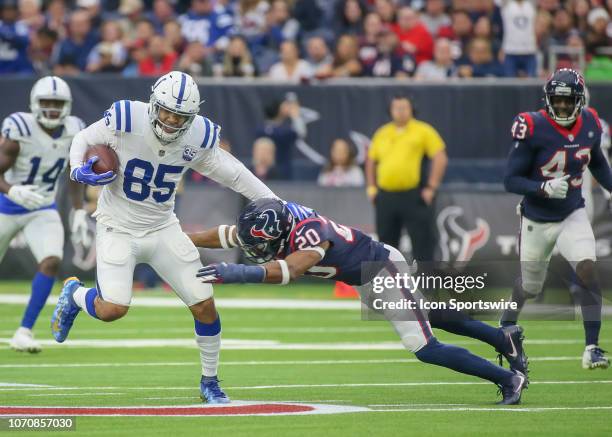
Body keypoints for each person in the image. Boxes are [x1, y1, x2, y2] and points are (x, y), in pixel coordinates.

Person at [50, 71, 277, 403]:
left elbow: (235, 174)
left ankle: (210, 382)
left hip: (163, 227)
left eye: (180, 116)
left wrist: (274, 202)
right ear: (153, 103)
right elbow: (83, 137)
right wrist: (75, 168)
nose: (171, 120)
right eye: (166, 110)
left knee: (204, 305)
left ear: (192, 116)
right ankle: (74, 296)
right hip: (117, 226)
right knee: (113, 309)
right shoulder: (127, 118)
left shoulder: (198, 137)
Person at [189, 198, 529, 405]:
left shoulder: (308, 232)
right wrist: (177, 238)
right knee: (427, 314)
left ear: (282, 231)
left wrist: (236, 272)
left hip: (381, 269)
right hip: (364, 276)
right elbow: (227, 234)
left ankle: (507, 379)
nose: (256, 252)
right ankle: (503, 338)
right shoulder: (277, 221)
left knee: (423, 345)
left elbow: (292, 269)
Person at [501, 68, 611, 370]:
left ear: (579, 100)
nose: (562, 106)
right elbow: (510, 180)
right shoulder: (532, 125)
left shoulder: (590, 122)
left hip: (572, 212)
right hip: (536, 217)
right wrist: (542, 187)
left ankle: (592, 348)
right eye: (557, 101)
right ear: (548, 99)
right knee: (530, 286)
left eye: (567, 101)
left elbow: (597, 162)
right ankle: (505, 323)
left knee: (588, 269)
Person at [0, 76, 88, 352]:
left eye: (57, 103)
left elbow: (74, 173)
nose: (51, 109)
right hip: (5, 205)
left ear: (68, 106)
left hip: (42, 207)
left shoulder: (75, 130)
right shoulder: (19, 127)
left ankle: (24, 331)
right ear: (35, 104)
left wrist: (79, 210)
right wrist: (11, 190)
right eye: (46, 103)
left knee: (51, 261)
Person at [366, 95, 448, 262]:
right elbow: (370, 161)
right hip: (386, 196)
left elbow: (440, 157)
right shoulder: (382, 132)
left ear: (412, 109)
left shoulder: (423, 130)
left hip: (414, 195)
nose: (400, 111)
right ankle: (389, 286)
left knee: (422, 244)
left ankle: (426, 287)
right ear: (390, 111)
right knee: (386, 246)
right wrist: (371, 188)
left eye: (404, 107)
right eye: (397, 108)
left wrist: (431, 187)